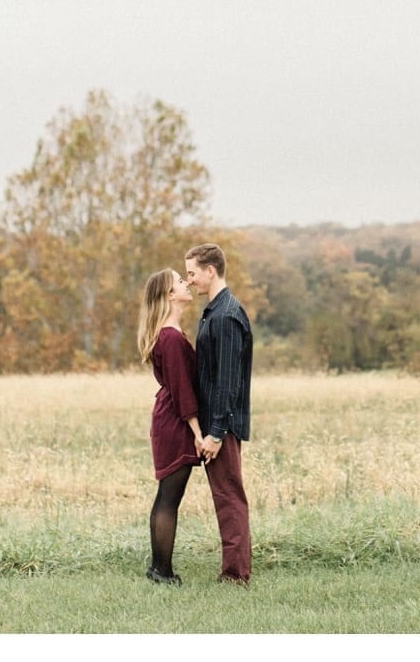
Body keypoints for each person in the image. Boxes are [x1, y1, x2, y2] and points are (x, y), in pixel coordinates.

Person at [185, 242, 253, 586]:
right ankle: (234, 571)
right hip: (216, 425)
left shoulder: (226, 316)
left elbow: (228, 383)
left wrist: (215, 433)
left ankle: (236, 574)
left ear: (210, 271)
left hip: (220, 427)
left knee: (229, 497)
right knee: (225, 496)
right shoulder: (215, 310)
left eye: (192, 273)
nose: (190, 281)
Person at [136, 267, 205, 585]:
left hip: (169, 419)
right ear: (169, 295)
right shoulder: (171, 337)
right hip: (175, 424)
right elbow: (182, 390)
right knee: (169, 497)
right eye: (180, 281)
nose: (186, 283)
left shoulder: (169, 332)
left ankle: (158, 568)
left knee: (167, 495)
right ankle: (161, 571)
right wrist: (198, 434)